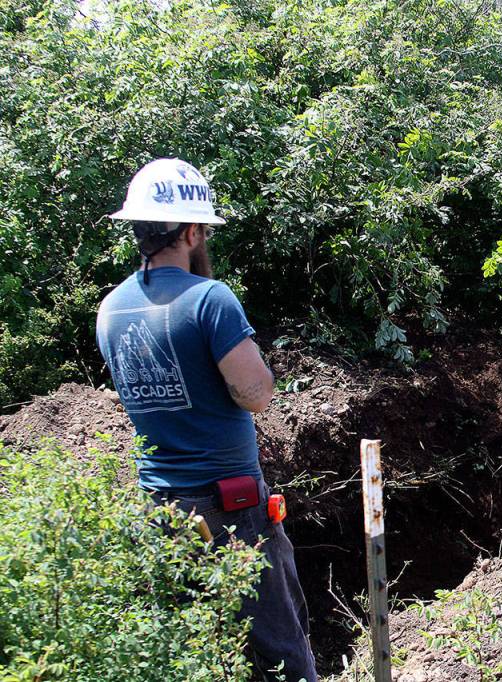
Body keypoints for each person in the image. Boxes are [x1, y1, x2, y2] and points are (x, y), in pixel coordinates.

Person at [95, 158, 318, 682]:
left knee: (197, 648)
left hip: (159, 507)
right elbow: (256, 393)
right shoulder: (209, 299)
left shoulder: (111, 308)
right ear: (192, 230)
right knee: (282, 646)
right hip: (230, 504)